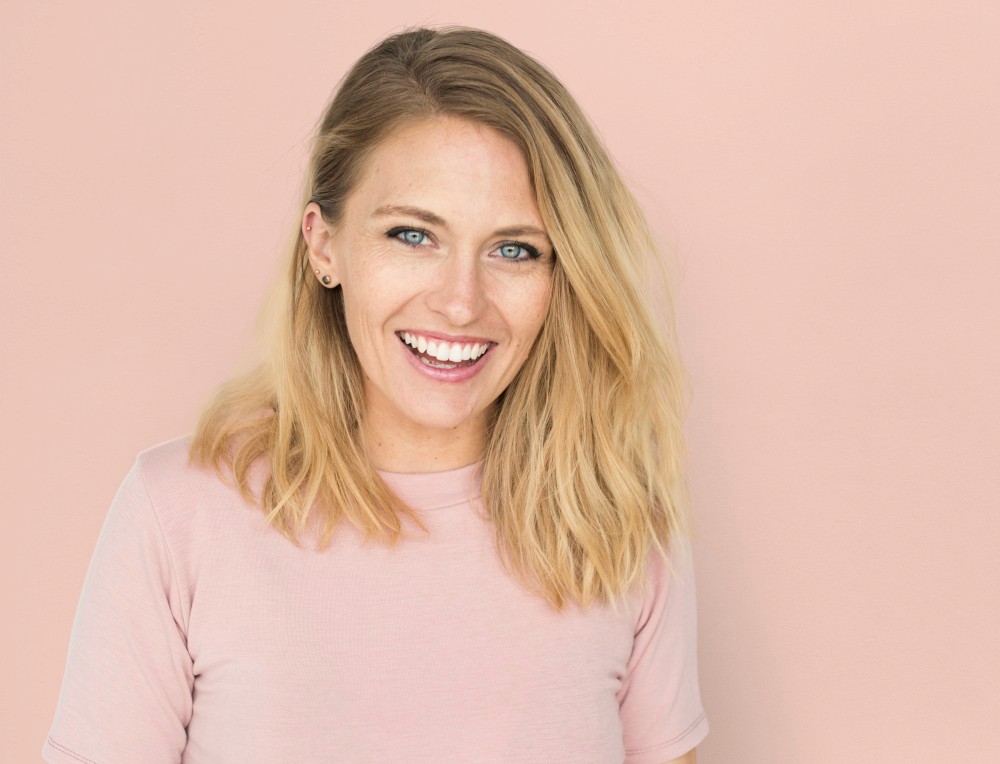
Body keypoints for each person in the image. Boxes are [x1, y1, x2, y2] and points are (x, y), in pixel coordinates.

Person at [43, 26, 708, 764]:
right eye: (412, 235)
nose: (461, 302)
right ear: (324, 245)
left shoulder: (620, 528)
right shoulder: (178, 517)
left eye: (514, 249)